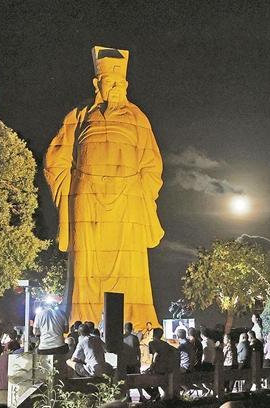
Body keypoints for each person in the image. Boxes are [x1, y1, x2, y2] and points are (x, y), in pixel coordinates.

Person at [44, 45, 164, 328]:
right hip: (87, 198)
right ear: (97, 84)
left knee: (130, 268)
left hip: (128, 201)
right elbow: (55, 159)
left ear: (126, 85)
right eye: (110, 82)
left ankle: (138, 325)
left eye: (120, 83)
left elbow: (152, 166)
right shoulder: (79, 116)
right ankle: (81, 325)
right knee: (86, 266)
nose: (116, 88)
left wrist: (138, 192)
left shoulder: (138, 117)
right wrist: (74, 187)